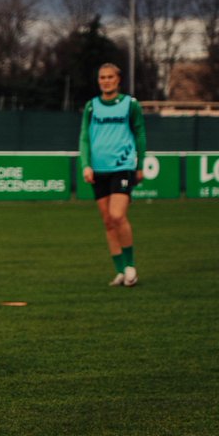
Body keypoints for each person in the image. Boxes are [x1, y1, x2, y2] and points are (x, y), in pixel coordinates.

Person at [79, 63, 147, 287]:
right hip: (99, 169)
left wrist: (140, 164)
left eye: (110, 77)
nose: (105, 81)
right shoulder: (91, 107)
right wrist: (86, 164)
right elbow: (85, 137)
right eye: (102, 77)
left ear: (118, 80)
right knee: (108, 221)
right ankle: (119, 270)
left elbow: (140, 134)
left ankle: (130, 267)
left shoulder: (130, 104)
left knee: (117, 216)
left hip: (123, 166)